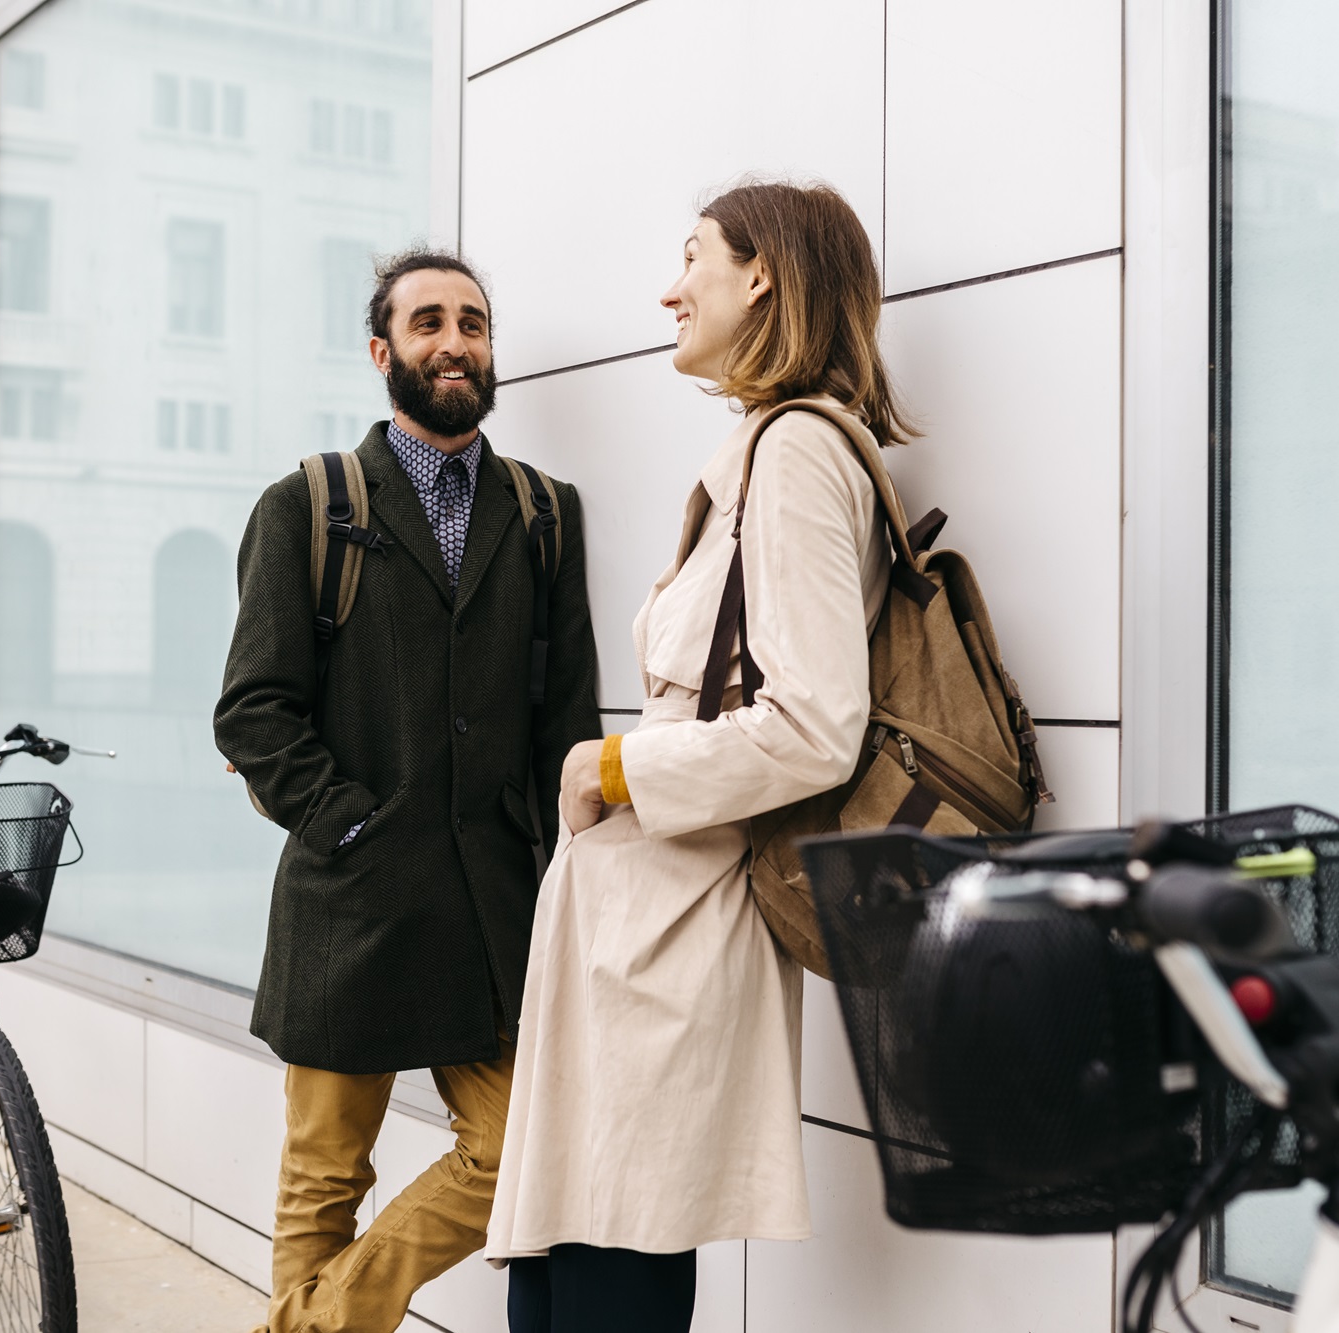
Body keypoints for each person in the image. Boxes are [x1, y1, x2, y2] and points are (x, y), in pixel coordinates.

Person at [485, 181, 911, 1333]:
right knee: (563, 1269)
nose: (668, 289)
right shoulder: (761, 455)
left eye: (692, 260)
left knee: (605, 1280)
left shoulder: (797, 455)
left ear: (760, 273)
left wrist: (609, 768)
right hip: (640, 925)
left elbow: (816, 723)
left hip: (676, 931)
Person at [214, 248, 600, 1333]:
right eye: (428, 322)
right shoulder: (308, 505)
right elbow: (253, 711)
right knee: (324, 1174)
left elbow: (565, 726)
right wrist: (351, 823)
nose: (455, 341)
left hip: (492, 908)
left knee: (519, 1148)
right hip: (352, 898)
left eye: (472, 323)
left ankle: (305, 1325)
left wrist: (567, 873)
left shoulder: (543, 514)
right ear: (383, 351)